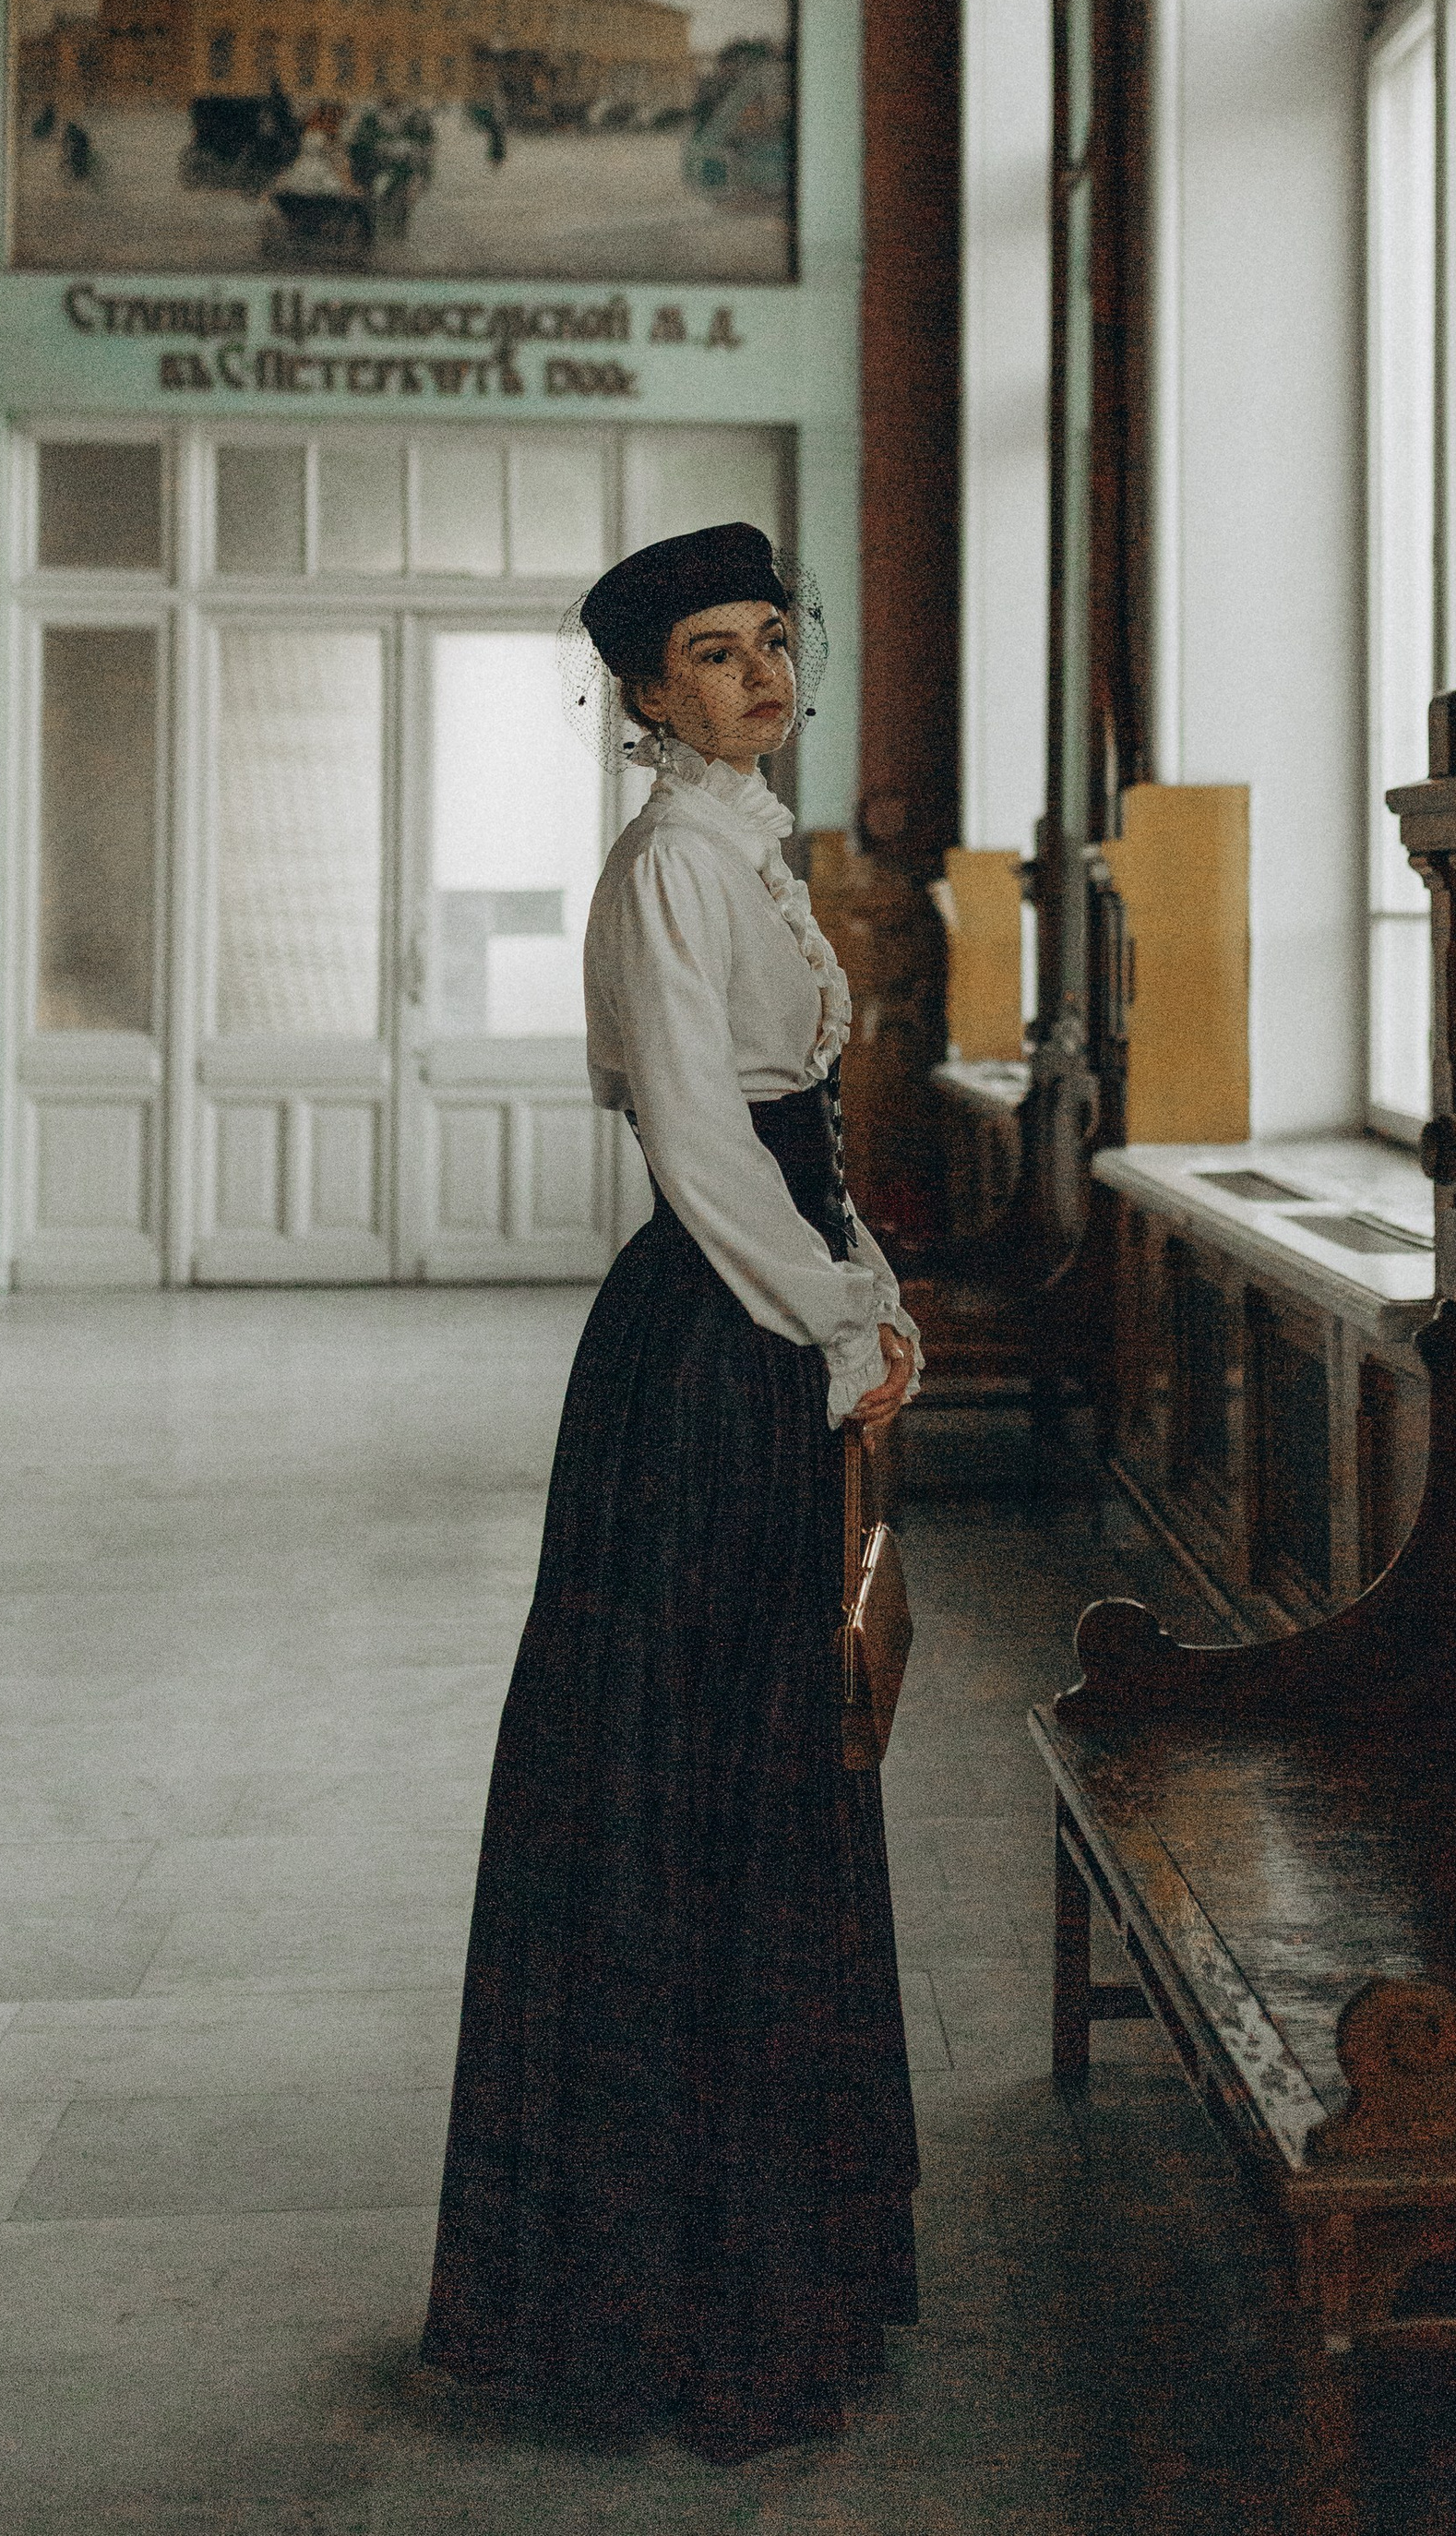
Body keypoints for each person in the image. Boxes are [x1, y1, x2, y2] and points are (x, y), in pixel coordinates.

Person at [419, 520, 923, 2461]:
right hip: (710, 1351)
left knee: (777, 1761)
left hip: (769, 1320)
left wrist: (869, 1301)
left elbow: (798, 1150)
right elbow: (708, 1156)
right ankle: (669, 2296)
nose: (759, 675)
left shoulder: (746, 852)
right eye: (712, 654)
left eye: (773, 640)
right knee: (690, 1773)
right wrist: (829, 1323)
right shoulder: (660, 868)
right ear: (643, 693)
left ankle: (767, 2261)